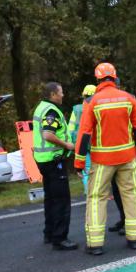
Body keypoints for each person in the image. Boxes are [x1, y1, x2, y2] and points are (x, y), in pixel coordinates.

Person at [74, 63, 136, 254]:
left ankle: (95, 244)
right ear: (115, 78)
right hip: (128, 158)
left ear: (97, 79)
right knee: (131, 195)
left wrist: (79, 161)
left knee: (96, 198)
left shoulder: (92, 102)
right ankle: (135, 239)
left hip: (101, 161)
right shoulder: (129, 98)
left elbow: (84, 134)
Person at [33, 82, 77, 250]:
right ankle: (60, 238)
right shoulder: (51, 111)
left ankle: (49, 233)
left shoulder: (41, 107)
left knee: (50, 199)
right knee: (61, 201)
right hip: (53, 160)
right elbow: (47, 134)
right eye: (61, 92)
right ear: (53, 94)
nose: (63, 95)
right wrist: (66, 145)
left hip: (44, 160)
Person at [69, 85, 96, 188]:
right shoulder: (97, 106)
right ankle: (97, 190)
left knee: (86, 168)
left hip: (80, 142)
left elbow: (71, 128)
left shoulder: (76, 109)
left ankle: (88, 190)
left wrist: (72, 143)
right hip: (94, 142)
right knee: (97, 167)